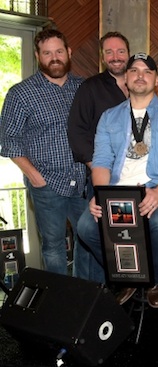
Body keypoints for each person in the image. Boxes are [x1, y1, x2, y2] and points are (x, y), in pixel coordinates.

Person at [76, 52, 158, 308]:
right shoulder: (109, 117)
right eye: (135, 71)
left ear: (156, 79)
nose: (140, 75)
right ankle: (127, 274)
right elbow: (102, 160)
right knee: (86, 227)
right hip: (118, 189)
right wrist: (101, 193)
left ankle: (155, 280)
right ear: (126, 79)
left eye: (147, 71)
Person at [0, 29, 87, 277]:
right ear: (38, 56)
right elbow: (8, 140)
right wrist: (33, 175)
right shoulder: (21, 93)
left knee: (89, 241)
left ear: (69, 53)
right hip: (46, 184)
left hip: (82, 182)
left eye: (59, 51)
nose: (54, 57)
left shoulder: (84, 88)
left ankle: (84, 296)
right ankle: (59, 303)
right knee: (53, 247)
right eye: (47, 53)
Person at [67, 31, 130, 282]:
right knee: (95, 231)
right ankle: (102, 290)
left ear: (128, 53)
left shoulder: (141, 84)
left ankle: (132, 279)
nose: (115, 57)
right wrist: (96, 166)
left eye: (120, 51)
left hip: (139, 178)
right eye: (109, 52)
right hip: (104, 177)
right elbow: (77, 130)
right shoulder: (90, 88)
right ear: (102, 56)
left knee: (132, 232)